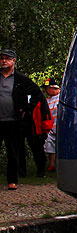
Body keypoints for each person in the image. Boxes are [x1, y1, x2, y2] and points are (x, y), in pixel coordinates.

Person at [1, 49, 43, 190]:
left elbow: (37, 93)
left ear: (13, 61)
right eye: (2, 58)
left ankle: (12, 180)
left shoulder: (20, 79)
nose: (4, 61)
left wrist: (27, 108)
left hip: (14, 121)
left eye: (7, 58)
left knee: (13, 152)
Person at [43, 78, 60, 173]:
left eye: (47, 88)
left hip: (61, 127)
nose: (46, 91)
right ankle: (51, 165)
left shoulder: (62, 97)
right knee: (50, 147)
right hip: (50, 128)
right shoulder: (47, 100)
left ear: (52, 87)